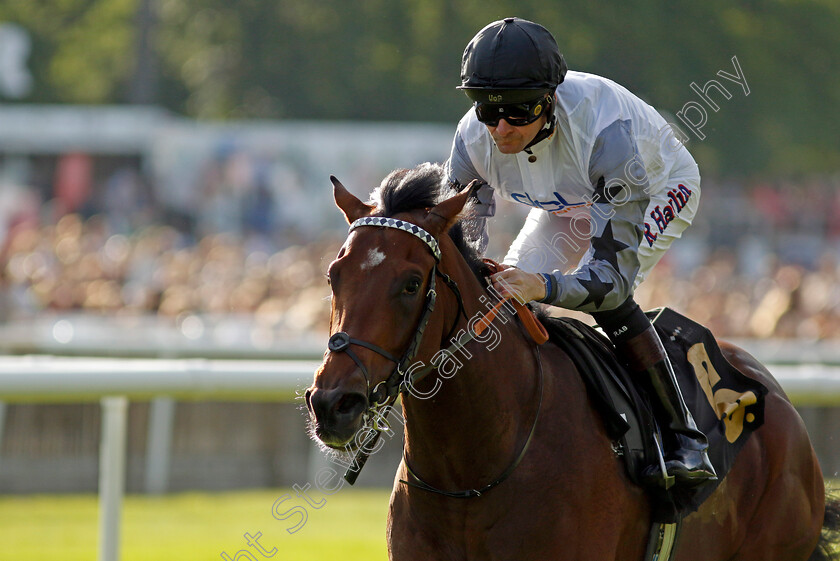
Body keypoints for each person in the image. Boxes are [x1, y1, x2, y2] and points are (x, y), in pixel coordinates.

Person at [445, 17, 716, 487]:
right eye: (490, 112)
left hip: (655, 188)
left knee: (607, 305)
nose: (502, 130)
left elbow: (608, 282)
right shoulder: (471, 139)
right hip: (566, 201)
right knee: (498, 300)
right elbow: (462, 250)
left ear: (551, 98)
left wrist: (545, 286)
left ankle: (684, 438)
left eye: (519, 111)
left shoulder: (608, 133)